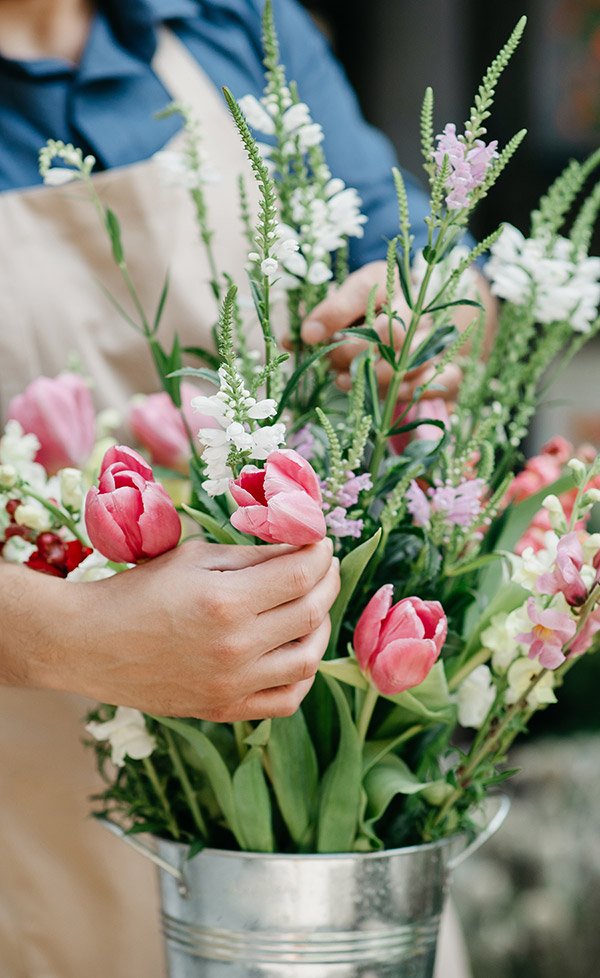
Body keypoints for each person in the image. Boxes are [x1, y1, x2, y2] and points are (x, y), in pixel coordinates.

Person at [0, 1, 480, 975]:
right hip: (35, 836)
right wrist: (71, 638)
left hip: (337, 849)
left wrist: (432, 315)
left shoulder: (233, 25)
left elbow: (424, 255)